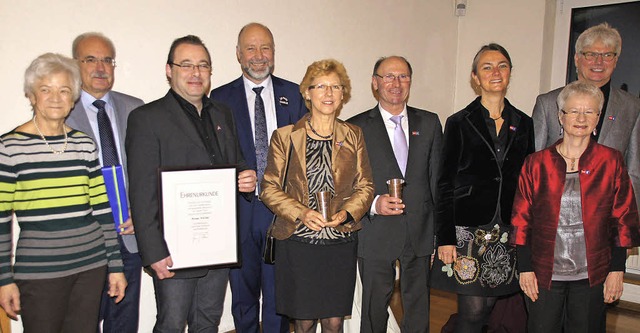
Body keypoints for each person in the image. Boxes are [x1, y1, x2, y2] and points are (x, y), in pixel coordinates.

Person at [125, 35, 257, 332]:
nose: (196, 73)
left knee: (208, 322)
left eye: (203, 65)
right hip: (174, 249)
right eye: (186, 65)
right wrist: (153, 251)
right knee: (171, 323)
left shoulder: (222, 113)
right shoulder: (147, 118)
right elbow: (141, 191)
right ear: (169, 70)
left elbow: (235, 163)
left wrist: (246, 177)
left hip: (217, 246)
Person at [0, 53, 126, 332]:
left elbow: (103, 210)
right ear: (31, 96)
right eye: (46, 89)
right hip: (39, 271)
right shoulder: (9, 148)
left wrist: (115, 266)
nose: (56, 97)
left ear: (73, 98)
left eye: (64, 90)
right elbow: (0, 222)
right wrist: (3, 279)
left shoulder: (84, 144)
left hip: (91, 266)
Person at [512, 81, 640, 332]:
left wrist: (617, 270)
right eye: (573, 111)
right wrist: (525, 268)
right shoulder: (536, 164)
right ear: (561, 116)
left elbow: (622, 218)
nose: (581, 118)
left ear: (597, 118)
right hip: (543, 273)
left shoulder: (611, 161)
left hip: (592, 275)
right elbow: (521, 219)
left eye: (589, 111)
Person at [260, 59, 374, 333]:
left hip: (340, 241)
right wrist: (302, 212)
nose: (329, 93)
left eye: (336, 86)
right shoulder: (286, 137)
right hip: (299, 241)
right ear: (307, 92)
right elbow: (269, 188)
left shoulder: (354, 135)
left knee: (334, 322)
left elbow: (366, 186)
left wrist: (346, 213)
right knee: (304, 320)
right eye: (321, 86)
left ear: (343, 94)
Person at [210, 22, 307, 333]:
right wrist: (233, 177)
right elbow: (213, 155)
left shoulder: (294, 94)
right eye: (250, 48)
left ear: (274, 53)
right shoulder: (219, 98)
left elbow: (308, 153)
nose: (258, 55)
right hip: (242, 211)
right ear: (238, 54)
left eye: (265, 47)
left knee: (280, 294)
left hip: (285, 212)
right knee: (243, 294)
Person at [431, 43, 534, 333]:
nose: (495, 72)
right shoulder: (458, 122)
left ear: (510, 72)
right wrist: (445, 238)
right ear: (475, 77)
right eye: (487, 67)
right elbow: (444, 183)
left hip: (507, 231)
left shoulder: (524, 123)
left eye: (502, 65)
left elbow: (529, 184)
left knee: (490, 309)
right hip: (468, 233)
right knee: (473, 312)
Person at [348, 56, 443, 333]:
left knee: (419, 306)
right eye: (388, 76)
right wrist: (374, 204)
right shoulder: (356, 128)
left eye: (403, 77)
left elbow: (437, 181)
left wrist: (439, 235)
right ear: (375, 83)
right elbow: (348, 185)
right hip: (375, 230)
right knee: (374, 308)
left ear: (410, 82)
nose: (396, 83)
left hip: (420, 230)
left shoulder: (429, 122)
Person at [66, 32, 144, 333]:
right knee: (84, 320)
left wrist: (142, 213)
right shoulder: (61, 112)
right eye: (90, 59)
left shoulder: (135, 108)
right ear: (75, 65)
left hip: (129, 233)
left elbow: (149, 170)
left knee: (123, 320)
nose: (101, 67)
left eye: (107, 60)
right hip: (85, 240)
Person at [533, 23, 640, 209]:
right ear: (577, 59)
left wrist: (632, 223)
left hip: (608, 215)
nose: (599, 62)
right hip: (555, 209)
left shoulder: (631, 107)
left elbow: (634, 171)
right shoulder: (548, 103)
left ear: (616, 60)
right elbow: (534, 165)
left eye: (607, 55)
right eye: (590, 54)